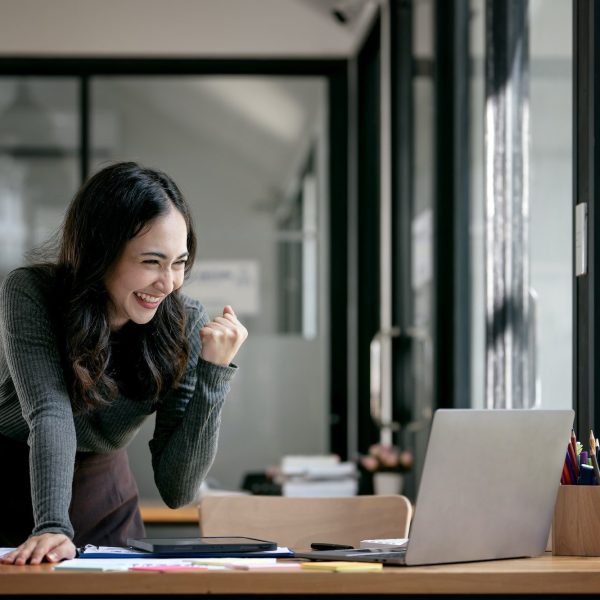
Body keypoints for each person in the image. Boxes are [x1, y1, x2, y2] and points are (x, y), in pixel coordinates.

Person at [0, 161, 247, 565]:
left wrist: (214, 376)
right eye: (151, 262)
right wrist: (52, 527)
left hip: (106, 500)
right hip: (11, 480)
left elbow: (177, 490)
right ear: (102, 252)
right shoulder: (31, 292)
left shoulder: (184, 324)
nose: (168, 284)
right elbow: (50, 412)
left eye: (179, 262)